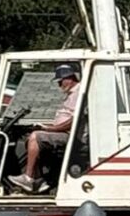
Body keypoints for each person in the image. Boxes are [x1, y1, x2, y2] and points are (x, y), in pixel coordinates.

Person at [7, 63, 81, 193]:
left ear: (68, 78)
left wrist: (50, 129)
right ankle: (39, 179)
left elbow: (74, 121)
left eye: (60, 81)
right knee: (28, 137)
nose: (59, 85)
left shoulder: (79, 93)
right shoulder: (71, 94)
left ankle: (29, 178)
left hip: (70, 135)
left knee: (36, 137)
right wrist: (45, 127)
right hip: (61, 131)